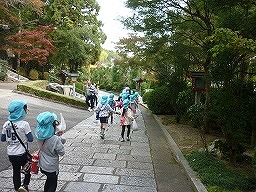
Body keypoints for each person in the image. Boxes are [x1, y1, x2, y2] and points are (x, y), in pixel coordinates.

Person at [1, 100, 33, 192]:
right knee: (27, 169)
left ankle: (17, 188)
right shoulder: (24, 124)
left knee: (15, 171)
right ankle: (25, 185)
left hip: (11, 154)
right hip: (22, 153)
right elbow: (30, 139)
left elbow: (2, 139)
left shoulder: (6, 124)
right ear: (21, 111)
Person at [35, 112, 65, 192]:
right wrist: (60, 138)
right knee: (53, 185)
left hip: (42, 165)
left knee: (48, 181)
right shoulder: (55, 139)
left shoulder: (39, 137)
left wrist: (57, 136)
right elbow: (62, 152)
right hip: (52, 167)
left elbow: (47, 139)